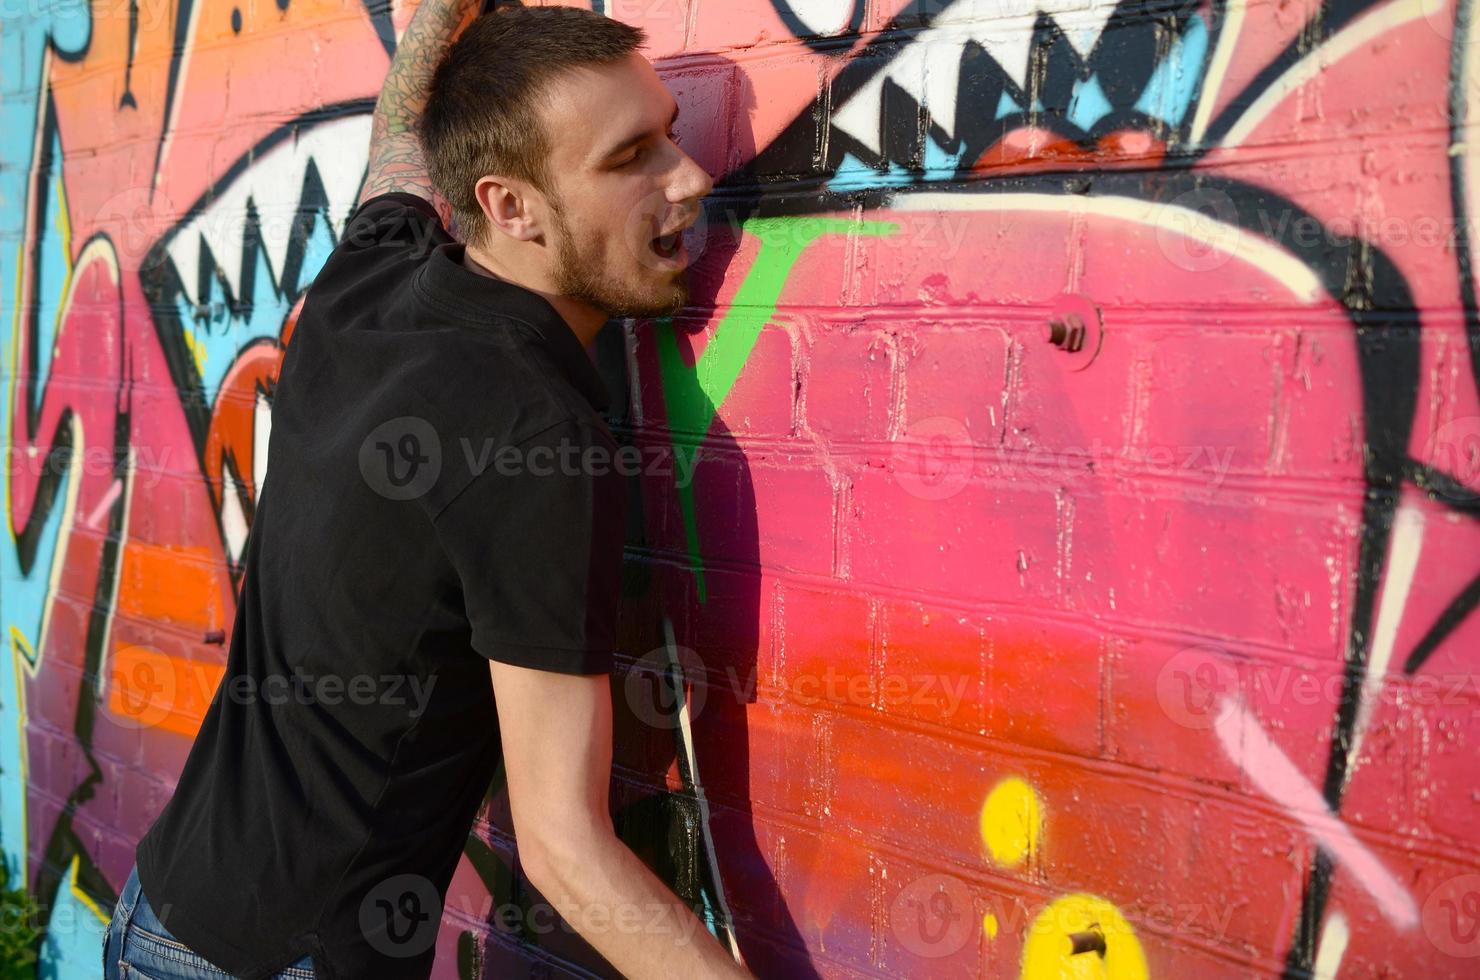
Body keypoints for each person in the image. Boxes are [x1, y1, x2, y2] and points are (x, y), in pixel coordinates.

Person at [102, 3, 752, 978]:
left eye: (671, 130)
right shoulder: (535, 438)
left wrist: (445, 16)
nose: (689, 175)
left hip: (158, 906)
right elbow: (565, 850)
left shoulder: (366, 277)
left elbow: (400, 135)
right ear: (510, 205)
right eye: (632, 159)